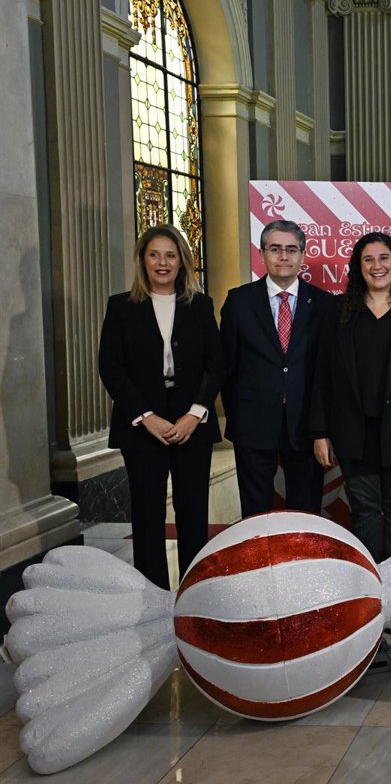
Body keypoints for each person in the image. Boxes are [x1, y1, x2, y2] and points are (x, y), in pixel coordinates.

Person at [98, 224, 224, 589]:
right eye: (154, 254)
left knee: (193, 514)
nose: (162, 262)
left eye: (170, 255)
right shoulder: (121, 306)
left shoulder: (200, 306)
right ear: (142, 260)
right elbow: (111, 367)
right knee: (147, 516)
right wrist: (145, 417)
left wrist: (195, 414)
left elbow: (217, 364)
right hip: (141, 428)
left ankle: (193, 593)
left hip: (191, 426)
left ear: (182, 261)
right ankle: (152, 597)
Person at [309, 231, 391, 562]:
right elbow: (322, 375)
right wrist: (320, 432)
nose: (377, 266)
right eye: (368, 259)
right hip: (354, 430)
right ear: (358, 266)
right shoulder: (339, 310)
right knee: (363, 510)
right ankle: (368, 582)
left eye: (383, 258)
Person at [220, 220, 334, 517]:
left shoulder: (325, 304)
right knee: (255, 514)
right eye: (275, 249)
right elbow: (226, 366)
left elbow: (327, 371)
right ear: (262, 254)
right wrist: (238, 413)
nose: (284, 256)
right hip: (252, 423)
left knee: (305, 513)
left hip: (306, 425)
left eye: (291, 249)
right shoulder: (238, 301)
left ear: (303, 255)